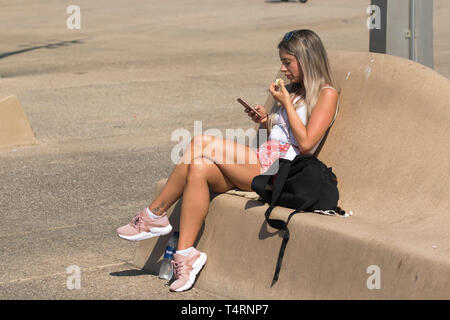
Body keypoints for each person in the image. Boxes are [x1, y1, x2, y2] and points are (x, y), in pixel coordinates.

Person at [116, 29, 340, 292]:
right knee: (198, 167)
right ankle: (186, 255)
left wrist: (286, 105)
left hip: (282, 172)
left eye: (287, 62)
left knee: (201, 142)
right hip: (265, 160)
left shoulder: (327, 93)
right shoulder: (293, 90)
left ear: (306, 59)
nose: (282, 69)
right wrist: (266, 120)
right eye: (282, 61)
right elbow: (284, 134)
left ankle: (154, 214)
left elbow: (305, 144)